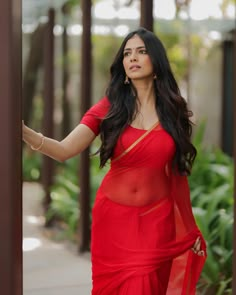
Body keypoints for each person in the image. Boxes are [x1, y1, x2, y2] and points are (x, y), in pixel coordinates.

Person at [23, 27, 206, 295]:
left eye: (141, 52)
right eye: (127, 53)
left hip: (157, 223)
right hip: (114, 221)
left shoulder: (173, 111)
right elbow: (64, 149)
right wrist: (24, 132)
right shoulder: (110, 107)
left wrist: (189, 229)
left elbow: (178, 176)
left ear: (156, 62)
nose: (133, 58)